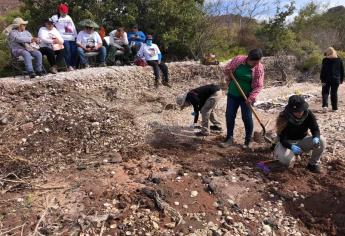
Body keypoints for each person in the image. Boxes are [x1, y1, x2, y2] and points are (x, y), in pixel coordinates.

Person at [220, 49, 265, 149]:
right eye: (254, 62)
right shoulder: (238, 60)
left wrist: (251, 98)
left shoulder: (259, 68)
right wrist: (228, 71)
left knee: (246, 117)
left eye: (258, 62)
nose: (256, 64)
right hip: (233, 93)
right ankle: (229, 138)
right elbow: (227, 69)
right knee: (230, 115)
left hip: (247, 97)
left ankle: (248, 140)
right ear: (249, 58)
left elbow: (258, 86)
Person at [274, 95, 326, 173]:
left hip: (302, 140)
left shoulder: (308, 114)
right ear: (291, 110)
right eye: (297, 111)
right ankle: (279, 149)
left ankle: (312, 164)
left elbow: (315, 129)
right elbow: (282, 139)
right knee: (286, 161)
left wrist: (316, 137)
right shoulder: (283, 117)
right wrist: (291, 147)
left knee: (321, 140)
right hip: (287, 142)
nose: (300, 113)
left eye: (301, 110)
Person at [51, 3, 78, 71]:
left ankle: (73, 65)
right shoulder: (55, 17)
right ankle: (68, 66)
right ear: (60, 11)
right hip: (63, 38)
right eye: (63, 12)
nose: (65, 14)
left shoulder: (68, 17)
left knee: (74, 51)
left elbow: (73, 27)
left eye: (66, 12)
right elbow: (50, 26)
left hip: (71, 37)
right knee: (67, 51)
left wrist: (76, 36)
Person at [320, 47, 344, 113]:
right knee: (334, 93)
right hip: (336, 79)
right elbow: (342, 71)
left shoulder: (325, 60)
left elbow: (323, 71)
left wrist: (322, 80)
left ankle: (325, 106)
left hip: (326, 79)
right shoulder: (339, 60)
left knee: (325, 92)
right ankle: (335, 108)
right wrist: (341, 80)